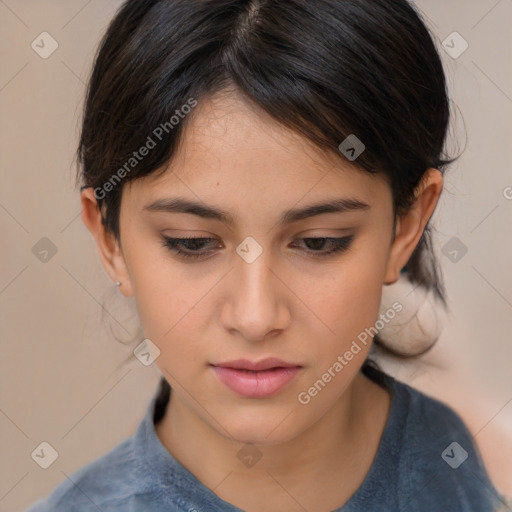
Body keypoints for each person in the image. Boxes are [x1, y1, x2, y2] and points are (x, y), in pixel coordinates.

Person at [27, 0, 509, 510]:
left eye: (320, 242)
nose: (256, 318)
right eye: (192, 243)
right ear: (110, 239)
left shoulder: (461, 471)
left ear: (406, 226)